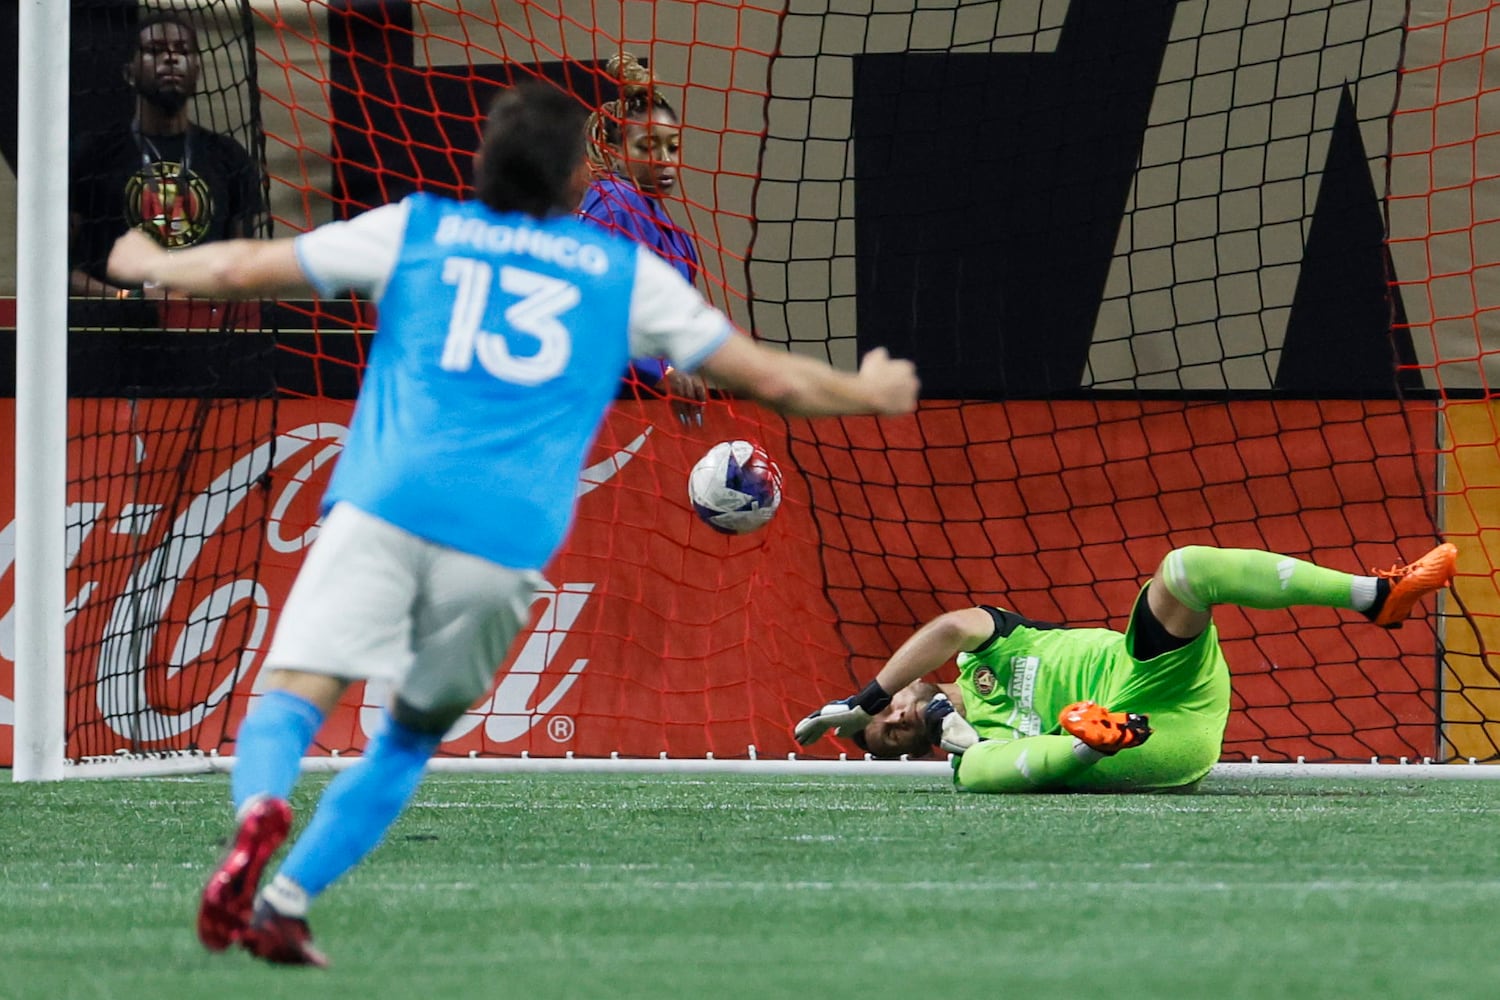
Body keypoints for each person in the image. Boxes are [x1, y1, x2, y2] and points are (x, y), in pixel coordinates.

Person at [107, 80, 918, 968]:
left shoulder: (419, 229)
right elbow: (776, 381)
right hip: (502, 542)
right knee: (412, 734)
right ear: (580, 180)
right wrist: (870, 393)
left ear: (483, 163)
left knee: (297, 691)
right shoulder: (622, 274)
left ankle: (260, 808)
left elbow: (233, 271)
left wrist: (148, 256)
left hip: (384, 502)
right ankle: (289, 899)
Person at [794, 541, 1459, 793]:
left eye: (891, 714)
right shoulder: (977, 741)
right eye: (889, 736)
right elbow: (971, 756)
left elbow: (948, 627)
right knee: (974, 772)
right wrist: (945, 730)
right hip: (1148, 746)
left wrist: (865, 697)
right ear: (909, 749)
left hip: (1155, 677)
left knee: (1182, 570)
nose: (895, 721)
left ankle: (1376, 597)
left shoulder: (983, 651)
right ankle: (1091, 743)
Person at [71, 11, 264, 299]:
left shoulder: (228, 157)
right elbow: (58, 270)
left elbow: (245, 269)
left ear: (197, 72)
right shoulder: (93, 155)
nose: (171, 58)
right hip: (112, 331)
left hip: (206, 334)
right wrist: (128, 299)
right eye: (155, 50)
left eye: (182, 51)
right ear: (129, 72)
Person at [581, 52, 708, 425]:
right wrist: (662, 373)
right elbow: (592, 316)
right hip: (599, 414)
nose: (664, 159)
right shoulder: (615, 205)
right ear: (614, 151)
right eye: (646, 146)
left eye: (672, 147)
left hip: (649, 414)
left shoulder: (676, 237)